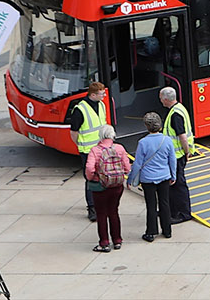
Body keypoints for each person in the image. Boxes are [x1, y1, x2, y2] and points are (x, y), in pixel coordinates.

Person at [129, 112, 178, 243]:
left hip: (148, 178)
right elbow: (172, 160)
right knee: (165, 203)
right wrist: (173, 175)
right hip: (164, 176)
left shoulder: (143, 142)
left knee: (151, 205)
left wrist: (130, 179)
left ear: (146, 126)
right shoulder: (167, 140)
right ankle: (167, 230)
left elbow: (138, 163)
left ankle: (151, 232)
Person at [84, 124, 130, 252]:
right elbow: (127, 167)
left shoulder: (95, 150)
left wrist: (91, 178)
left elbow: (89, 168)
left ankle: (104, 243)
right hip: (116, 186)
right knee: (114, 211)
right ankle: (117, 240)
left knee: (101, 214)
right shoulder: (119, 148)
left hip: (100, 186)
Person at [67, 82, 109, 221]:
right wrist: (80, 144)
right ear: (93, 95)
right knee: (90, 178)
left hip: (101, 148)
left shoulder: (101, 105)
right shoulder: (80, 109)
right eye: (101, 93)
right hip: (87, 151)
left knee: (102, 176)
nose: (104, 95)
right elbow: (74, 132)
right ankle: (92, 208)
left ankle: (101, 203)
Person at [159, 87, 195, 224]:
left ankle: (184, 213)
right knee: (172, 185)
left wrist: (187, 152)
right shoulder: (179, 108)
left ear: (166, 99)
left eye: (161, 98)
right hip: (176, 154)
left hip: (177, 155)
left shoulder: (175, 115)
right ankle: (173, 210)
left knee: (178, 185)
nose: (160, 100)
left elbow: (183, 137)